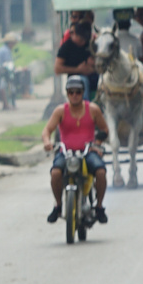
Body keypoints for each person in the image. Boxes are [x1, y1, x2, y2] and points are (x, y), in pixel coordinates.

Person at [41, 75, 109, 225]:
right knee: (55, 173)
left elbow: (104, 129)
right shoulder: (60, 111)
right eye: (71, 92)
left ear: (83, 92)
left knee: (101, 172)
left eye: (78, 92)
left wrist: (97, 144)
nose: (74, 95)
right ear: (67, 93)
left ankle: (99, 207)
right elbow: (47, 130)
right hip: (66, 152)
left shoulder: (93, 109)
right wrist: (47, 142)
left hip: (88, 152)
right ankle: (58, 206)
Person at [54, 21, 98, 99]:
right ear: (73, 34)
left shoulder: (91, 44)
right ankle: (85, 106)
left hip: (94, 76)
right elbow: (57, 69)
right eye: (80, 40)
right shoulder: (67, 47)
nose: (83, 42)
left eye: (85, 40)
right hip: (76, 78)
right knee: (83, 81)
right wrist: (78, 69)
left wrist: (94, 63)